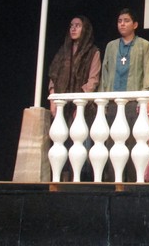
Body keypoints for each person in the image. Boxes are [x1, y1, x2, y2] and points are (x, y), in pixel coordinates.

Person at [99, 8, 149, 182]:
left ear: (135, 24)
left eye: (126, 20)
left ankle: (132, 182)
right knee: (112, 143)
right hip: (113, 102)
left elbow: (148, 74)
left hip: (133, 103)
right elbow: (104, 74)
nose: (122, 24)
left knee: (132, 143)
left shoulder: (144, 45)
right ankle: (113, 181)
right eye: (119, 21)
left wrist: (143, 101)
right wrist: (103, 100)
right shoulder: (111, 46)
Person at [47, 16, 101, 181]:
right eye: (71, 25)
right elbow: (54, 76)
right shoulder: (63, 51)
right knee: (61, 141)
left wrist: (80, 104)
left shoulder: (93, 52)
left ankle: (81, 178)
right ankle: (62, 177)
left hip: (82, 105)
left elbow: (93, 80)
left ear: (85, 29)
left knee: (81, 142)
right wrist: (53, 99)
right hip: (62, 105)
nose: (73, 28)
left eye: (78, 25)